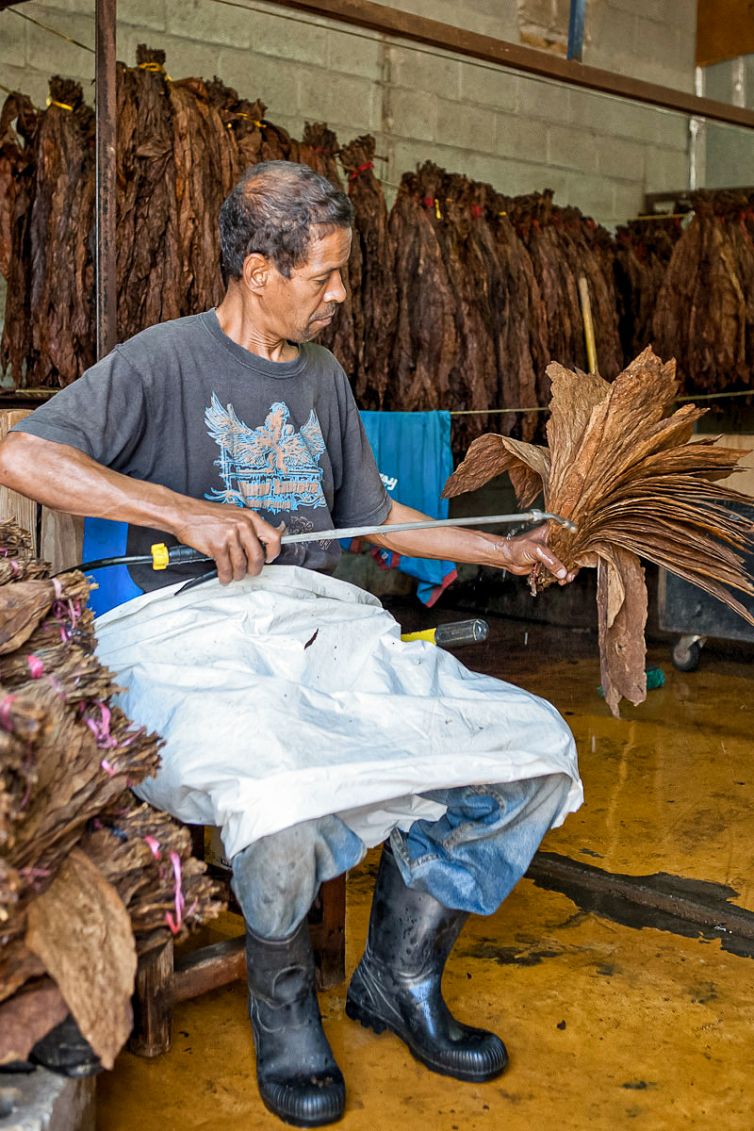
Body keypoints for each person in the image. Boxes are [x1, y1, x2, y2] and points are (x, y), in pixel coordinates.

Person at [0, 162, 582, 1128]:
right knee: (273, 781)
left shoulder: (322, 376)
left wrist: (502, 548)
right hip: (182, 630)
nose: (342, 294)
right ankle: (283, 1006)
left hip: (316, 618)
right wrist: (185, 514)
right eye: (325, 275)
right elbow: (20, 449)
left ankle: (399, 975)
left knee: (524, 743)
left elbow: (372, 514)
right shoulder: (162, 358)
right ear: (258, 269)